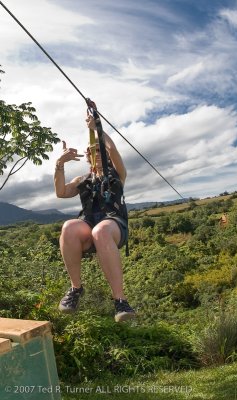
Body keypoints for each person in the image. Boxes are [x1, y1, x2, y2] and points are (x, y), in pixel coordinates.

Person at [54, 114, 135, 322]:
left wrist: (98, 129)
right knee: (69, 226)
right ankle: (76, 289)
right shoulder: (83, 180)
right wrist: (60, 164)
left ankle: (120, 301)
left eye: (99, 150)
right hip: (89, 225)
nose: (96, 154)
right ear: (87, 157)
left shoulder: (117, 174)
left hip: (113, 225)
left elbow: (113, 150)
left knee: (101, 231)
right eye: (92, 151)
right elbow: (61, 192)